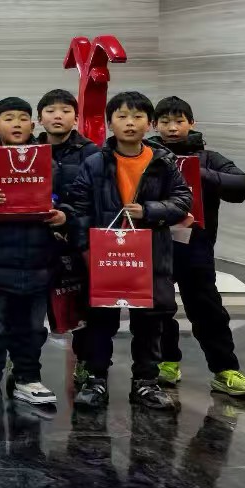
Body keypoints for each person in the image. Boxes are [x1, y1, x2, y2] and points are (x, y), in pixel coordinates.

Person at [62, 91, 192, 412]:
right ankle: (96, 380)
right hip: (104, 256)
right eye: (121, 116)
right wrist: (86, 248)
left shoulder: (163, 162)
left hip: (151, 256)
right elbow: (78, 207)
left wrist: (148, 210)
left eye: (137, 116)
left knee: (149, 323)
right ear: (110, 123)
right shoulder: (95, 162)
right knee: (99, 320)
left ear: (149, 123)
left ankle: (145, 382)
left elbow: (182, 201)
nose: (129, 123)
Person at [0, 98, 67, 407]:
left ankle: (27, 378)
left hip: (38, 261)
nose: (16, 124)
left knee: (31, 326)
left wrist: (62, 215)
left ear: (33, 125)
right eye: (8, 118)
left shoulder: (49, 165)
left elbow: (66, 202)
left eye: (22, 118)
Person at [152, 96, 245, 398]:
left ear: (192, 123)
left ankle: (225, 370)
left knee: (207, 308)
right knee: (159, 308)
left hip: (196, 247)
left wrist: (198, 173)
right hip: (156, 244)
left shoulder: (209, 158)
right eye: (165, 122)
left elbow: (241, 185)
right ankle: (166, 363)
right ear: (155, 125)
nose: (173, 128)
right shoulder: (146, 156)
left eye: (179, 121)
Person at [37, 88, 98, 380]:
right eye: (50, 111)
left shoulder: (92, 153)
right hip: (37, 239)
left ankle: (85, 363)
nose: (57, 116)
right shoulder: (28, 150)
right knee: (30, 307)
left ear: (76, 117)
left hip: (77, 240)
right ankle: (23, 366)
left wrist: (69, 221)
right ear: (40, 118)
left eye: (65, 111)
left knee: (82, 306)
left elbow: (94, 199)